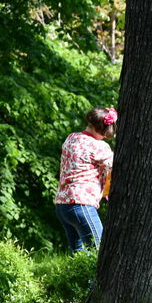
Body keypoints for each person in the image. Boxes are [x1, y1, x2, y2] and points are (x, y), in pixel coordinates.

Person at [54, 107, 117, 251]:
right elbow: (119, 167)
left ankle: (77, 275)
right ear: (101, 128)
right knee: (99, 252)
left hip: (62, 205)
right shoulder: (99, 146)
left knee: (78, 256)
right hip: (82, 204)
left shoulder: (71, 138)